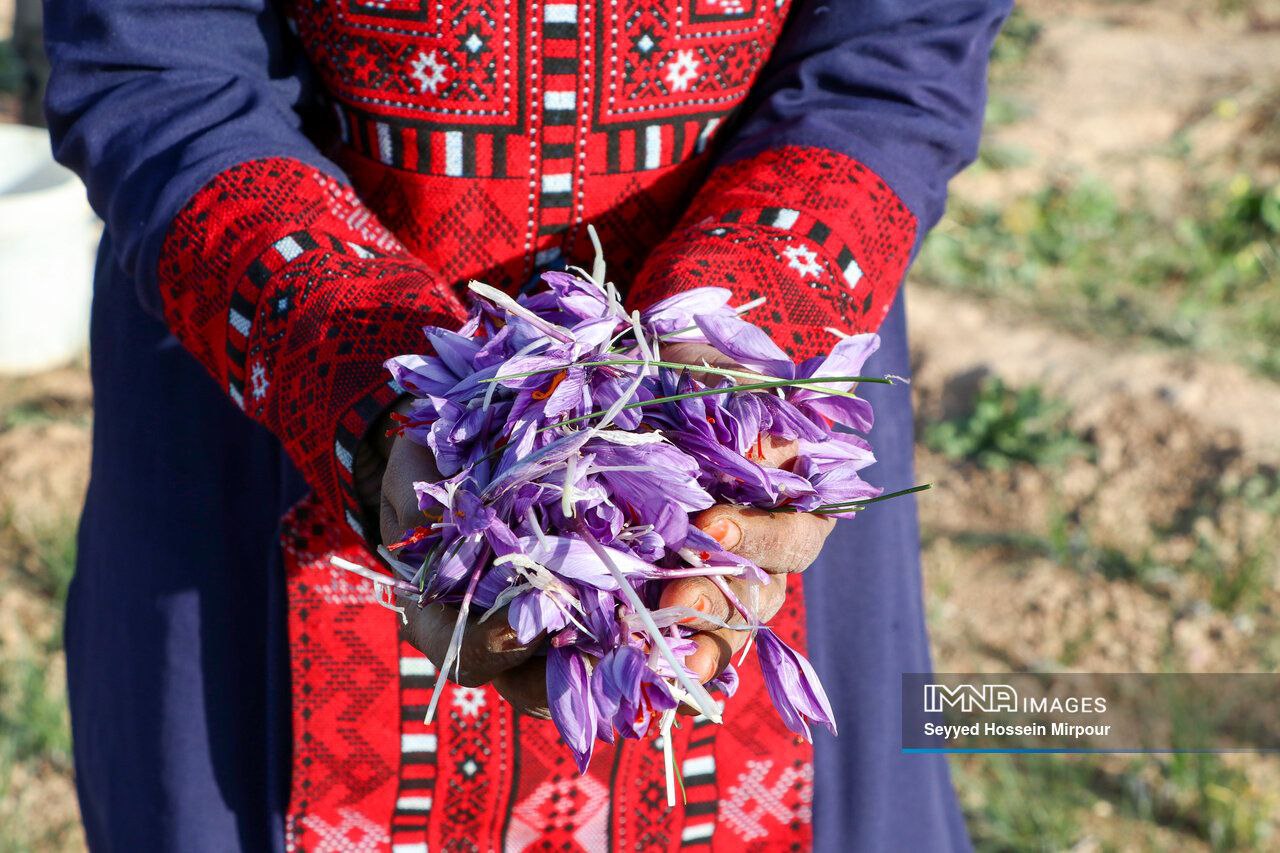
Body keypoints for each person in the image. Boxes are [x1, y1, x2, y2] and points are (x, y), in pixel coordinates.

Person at [44, 0, 1009, 849]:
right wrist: (378, 405)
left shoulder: (747, 402)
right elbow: (158, 67)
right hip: (278, 395)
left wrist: (742, 363)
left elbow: (895, 50)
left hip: (743, 421)